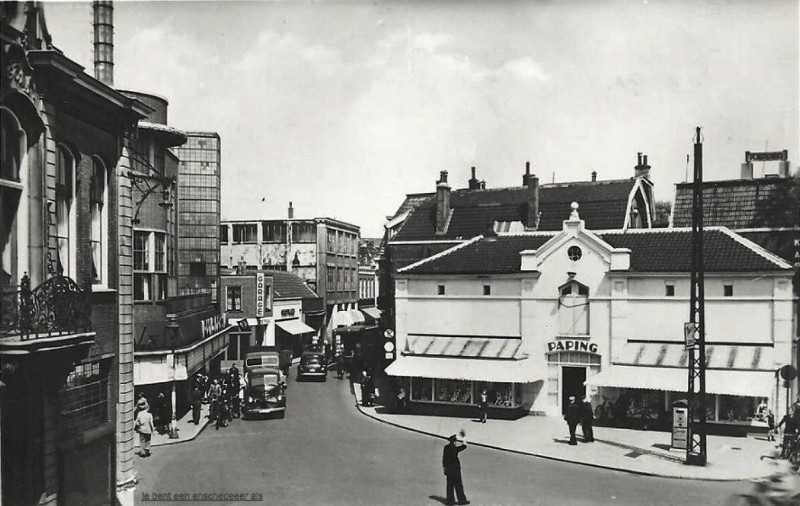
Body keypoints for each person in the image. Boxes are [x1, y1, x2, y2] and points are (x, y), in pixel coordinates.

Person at [442, 432, 470, 506]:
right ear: (454, 442)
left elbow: (444, 459)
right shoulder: (454, 449)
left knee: (449, 485)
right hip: (455, 470)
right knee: (458, 485)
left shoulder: (446, 448)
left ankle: (450, 501)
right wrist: (464, 438)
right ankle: (461, 500)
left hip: (448, 469)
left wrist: (444, 468)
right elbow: (464, 446)